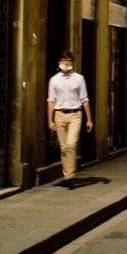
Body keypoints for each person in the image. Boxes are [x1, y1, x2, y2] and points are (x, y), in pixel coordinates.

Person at [46, 50, 91, 184]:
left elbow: (84, 99)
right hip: (59, 115)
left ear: (72, 62)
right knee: (64, 147)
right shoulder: (54, 80)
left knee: (71, 144)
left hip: (75, 115)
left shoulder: (79, 78)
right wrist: (50, 120)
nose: (66, 63)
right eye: (64, 60)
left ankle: (70, 176)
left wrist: (89, 119)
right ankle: (68, 176)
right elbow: (51, 101)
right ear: (59, 62)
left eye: (69, 61)